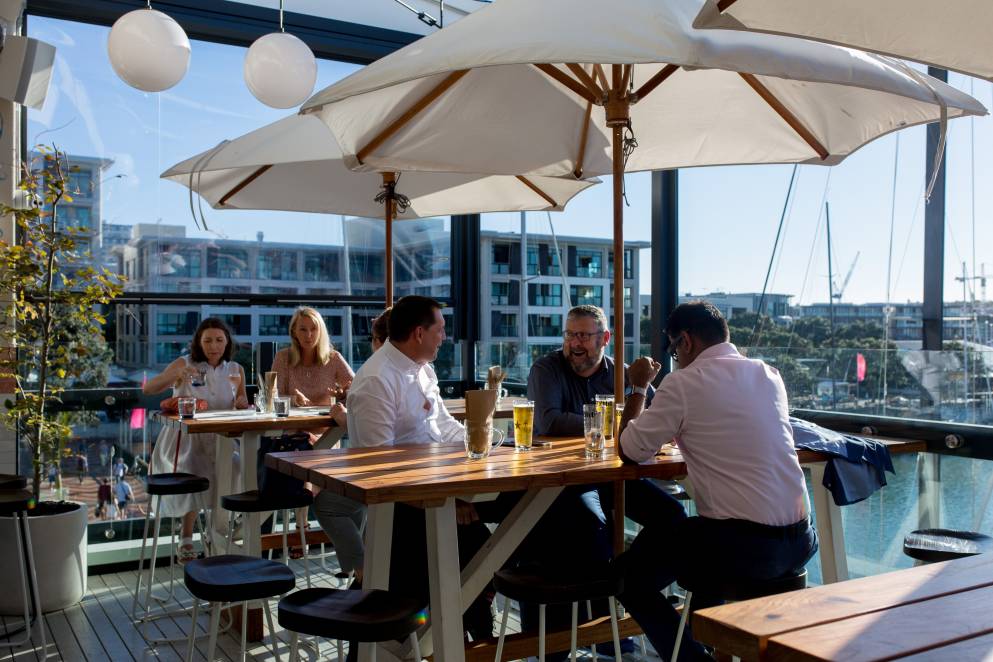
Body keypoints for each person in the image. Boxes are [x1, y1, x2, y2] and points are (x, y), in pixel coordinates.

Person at [615, 301, 817, 661]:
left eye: (673, 348)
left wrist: (638, 387)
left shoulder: (683, 383)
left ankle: (695, 658)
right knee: (696, 539)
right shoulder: (769, 374)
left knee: (628, 580)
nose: (674, 356)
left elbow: (630, 450)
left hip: (747, 548)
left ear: (686, 342)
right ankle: (706, 641)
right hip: (801, 539)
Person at [346, 295, 493, 641]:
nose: (444, 336)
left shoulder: (423, 369)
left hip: (432, 494)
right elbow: (378, 469)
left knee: (497, 538)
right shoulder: (376, 381)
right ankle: (464, 628)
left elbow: (445, 428)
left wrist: (489, 447)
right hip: (401, 512)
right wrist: (444, 501)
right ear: (418, 333)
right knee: (480, 547)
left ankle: (468, 621)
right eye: (439, 330)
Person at [146, 317, 250, 563]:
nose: (214, 346)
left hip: (221, 438)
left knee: (239, 467)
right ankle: (186, 536)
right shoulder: (185, 363)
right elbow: (149, 388)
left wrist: (242, 404)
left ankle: (220, 530)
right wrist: (175, 377)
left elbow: (241, 402)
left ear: (227, 343)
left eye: (219, 340)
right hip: (185, 439)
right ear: (199, 343)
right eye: (208, 340)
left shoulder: (236, 370)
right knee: (194, 467)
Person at [271, 306, 352, 427]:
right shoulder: (282, 357)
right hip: (291, 431)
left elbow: (358, 389)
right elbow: (273, 399)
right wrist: (294, 400)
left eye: (314, 329)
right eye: (303, 329)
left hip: (326, 431)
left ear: (321, 331)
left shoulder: (334, 358)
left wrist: (343, 396)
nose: (308, 335)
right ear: (294, 331)